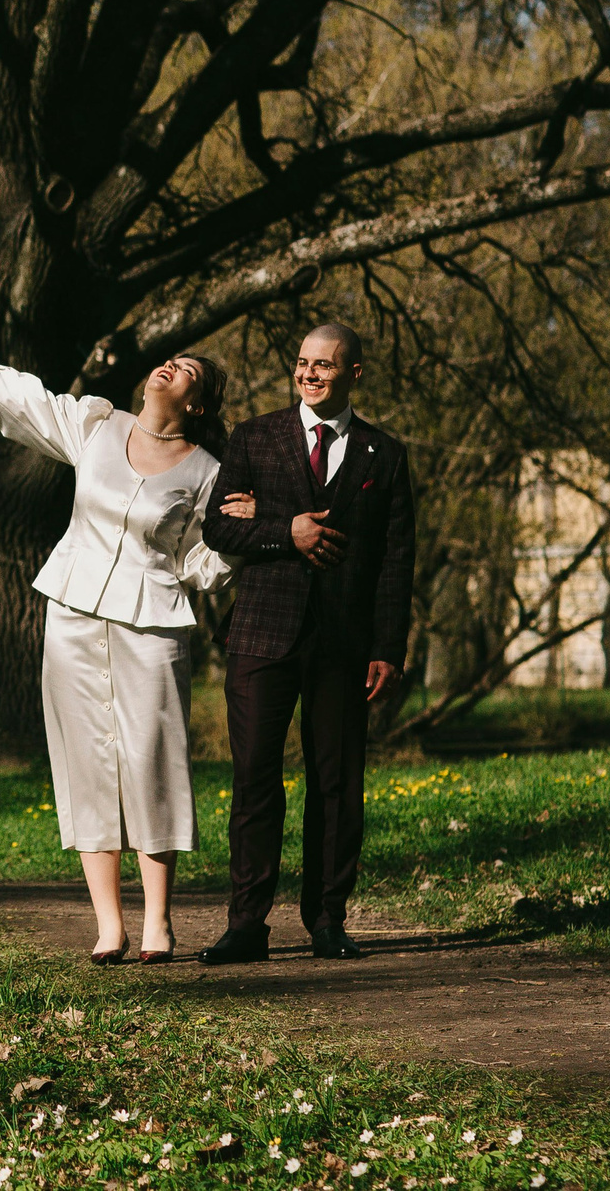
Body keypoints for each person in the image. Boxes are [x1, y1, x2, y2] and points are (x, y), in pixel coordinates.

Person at [0, 298, 235, 963]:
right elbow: (10, 390)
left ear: (197, 404)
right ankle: (109, 925)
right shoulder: (96, 424)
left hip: (152, 626)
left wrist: (242, 537)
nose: (170, 367)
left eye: (188, 371)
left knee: (152, 759)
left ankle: (158, 921)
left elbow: (201, 565)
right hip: (72, 617)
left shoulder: (208, 473)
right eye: (171, 360)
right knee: (86, 761)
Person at [198, 322, 416, 965]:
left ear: (354, 373)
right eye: (302, 362)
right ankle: (246, 926)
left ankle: (327, 921)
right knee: (255, 779)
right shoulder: (254, 437)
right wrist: (281, 530)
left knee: (337, 784)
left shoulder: (385, 454)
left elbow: (396, 559)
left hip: (345, 643)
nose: (309, 373)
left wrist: (388, 648)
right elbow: (217, 529)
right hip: (262, 633)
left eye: (324, 364)